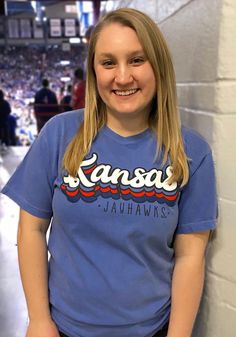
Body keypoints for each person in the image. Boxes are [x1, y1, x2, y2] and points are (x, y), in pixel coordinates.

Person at [1, 8, 217, 337]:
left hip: (151, 330)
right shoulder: (59, 134)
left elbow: (190, 256)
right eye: (108, 62)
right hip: (63, 328)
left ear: (158, 65)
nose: (122, 77)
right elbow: (31, 231)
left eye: (136, 60)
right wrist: (39, 319)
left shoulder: (192, 152)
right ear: (94, 71)